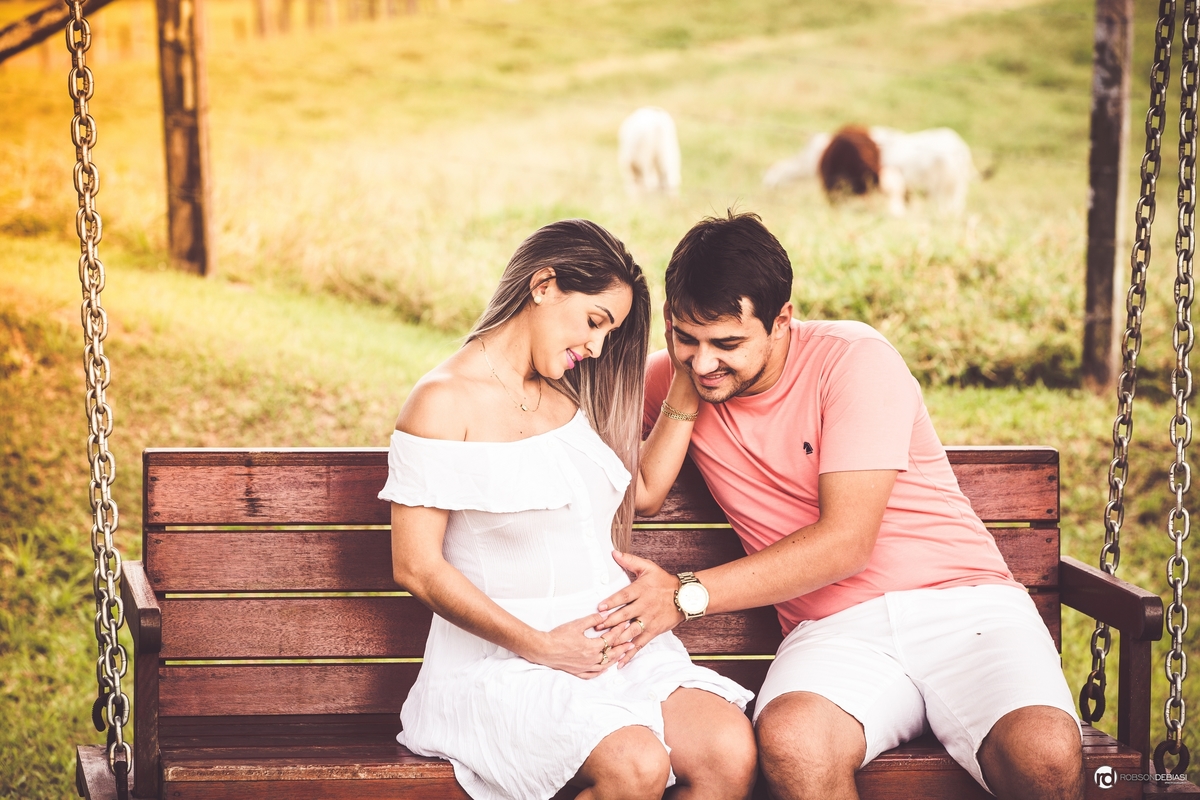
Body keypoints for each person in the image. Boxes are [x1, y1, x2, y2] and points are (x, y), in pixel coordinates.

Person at [595, 212, 1085, 800]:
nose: (704, 363)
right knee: (795, 742)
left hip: (964, 606)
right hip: (833, 631)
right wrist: (680, 385)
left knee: (1044, 754)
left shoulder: (854, 359)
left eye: (727, 344)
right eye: (686, 339)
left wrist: (683, 596)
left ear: (782, 321)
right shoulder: (679, 379)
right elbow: (615, 471)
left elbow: (846, 542)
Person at [379, 219, 756, 800]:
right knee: (635, 765)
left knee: (727, 752)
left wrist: (687, 375)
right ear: (543, 285)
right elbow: (416, 567)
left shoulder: (565, 393)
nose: (598, 347)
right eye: (595, 322)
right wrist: (542, 645)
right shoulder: (443, 401)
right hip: (505, 663)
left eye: (610, 331)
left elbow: (643, 491)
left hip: (616, 654)